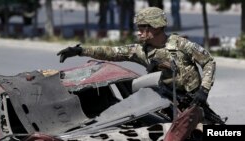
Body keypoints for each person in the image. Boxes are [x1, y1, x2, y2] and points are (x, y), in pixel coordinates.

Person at [57, 7, 216, 107]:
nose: (139, 32)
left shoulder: (182, 45)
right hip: (167, 100)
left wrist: (204, 90)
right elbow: (112, 52)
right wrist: (80, 50)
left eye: (142, 28)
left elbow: (209, 62)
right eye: (138, 28)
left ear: (155, 27)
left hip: (194, 100)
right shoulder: (141, 50)